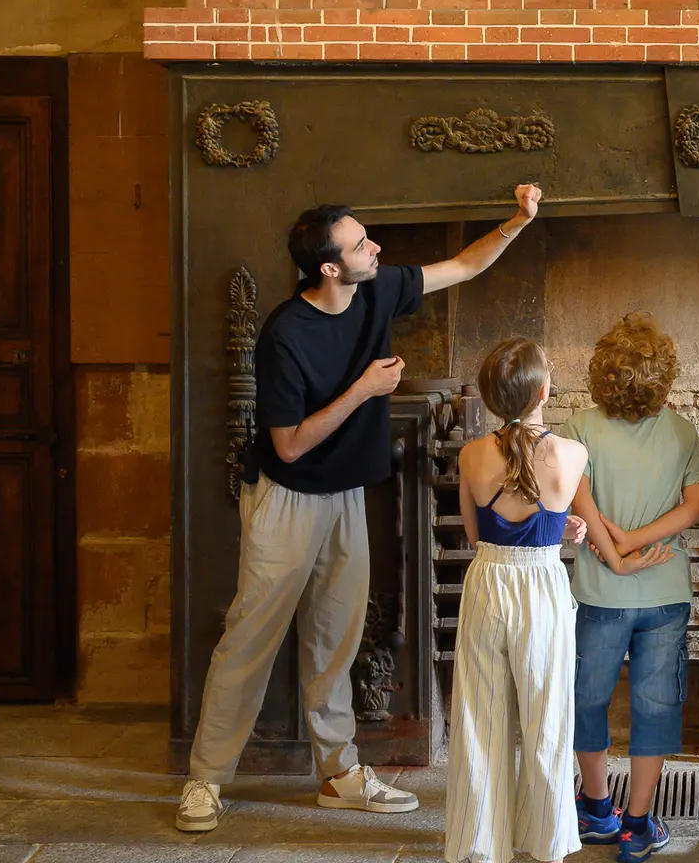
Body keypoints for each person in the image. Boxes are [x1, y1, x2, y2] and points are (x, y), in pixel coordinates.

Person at [175, 185, 542, 834]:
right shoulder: (284, 335)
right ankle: (205, 780)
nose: (376, 247)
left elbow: (464, 266)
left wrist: (518, 220)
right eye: (361, 244)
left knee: (335, 640)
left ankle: (339, 773)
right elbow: (287, 444)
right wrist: (365, 388)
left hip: (345, 494)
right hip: (287, 498)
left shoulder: (375, 287)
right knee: (249, 642)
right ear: (330, 269)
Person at [562, 312, 699, 862]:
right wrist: (637, 542)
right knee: (655, 706)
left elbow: (579, 502)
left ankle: (597, 808)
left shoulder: (578, 427)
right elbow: (696, 508)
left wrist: (613, 551)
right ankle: (639, 823)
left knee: (588, 699)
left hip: (600, 593)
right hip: (666, 592)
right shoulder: (681, 429)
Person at [445, 336, 591, 863]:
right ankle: (547, 843)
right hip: (542, 587)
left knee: (480, 717)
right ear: (545, 391)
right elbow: (545, 513)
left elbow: (472, 530)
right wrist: (560, 526)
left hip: (487, 583)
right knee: (547, 717)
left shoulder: (470, 453)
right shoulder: (572, 453)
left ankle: (480, 843)